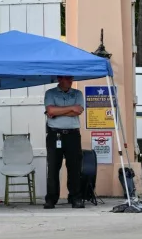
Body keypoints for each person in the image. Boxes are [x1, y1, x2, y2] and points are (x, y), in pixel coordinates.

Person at [44, 75, 85, 209]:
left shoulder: (77, 93)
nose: (70, 82)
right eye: (67, 79)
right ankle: (51, 198)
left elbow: (78, 111)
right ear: (59, 79)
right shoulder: (50, 93)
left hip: (72, 134)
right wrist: (70, 108)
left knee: (74, 167)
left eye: (71, 79)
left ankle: (75, 198)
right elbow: (50, 110)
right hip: (54, 134)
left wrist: (57, 112)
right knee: (53, 168)